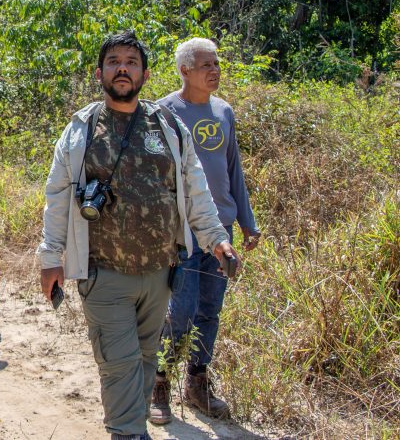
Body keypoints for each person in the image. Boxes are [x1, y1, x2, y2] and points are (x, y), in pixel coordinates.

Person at [37, 33, 237, 440]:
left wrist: (216, 238)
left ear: (145, 74)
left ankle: (130, 426)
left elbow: (194, 185)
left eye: (131, 61)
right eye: (113, 61)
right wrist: (50, 257)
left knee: (146, 360)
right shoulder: (81, 129)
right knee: (120, 363)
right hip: (103, 273)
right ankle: (128, 433)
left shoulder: (168, 126)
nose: (122, 68)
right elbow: (57, 194)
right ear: (100, 73)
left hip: (160, 273)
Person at [149, 38, 262, 423]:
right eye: (205, 65)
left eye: (216, 64)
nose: (215, 71)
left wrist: (247, 222)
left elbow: (234, 170)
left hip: (222, 229)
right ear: (185, 70)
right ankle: (158, 382)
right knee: (179, 310)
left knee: (210, 309)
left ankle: (197, 382)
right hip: (182, 230)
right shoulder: (164, 111)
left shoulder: (223, 111)